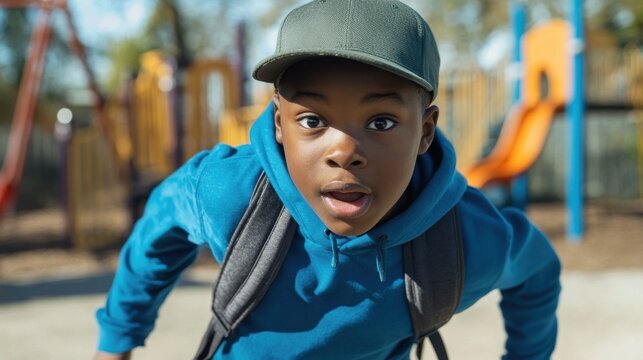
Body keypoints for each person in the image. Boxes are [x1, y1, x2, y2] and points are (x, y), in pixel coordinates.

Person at [95, 0, 561, 359]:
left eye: (380, 122)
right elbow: (161, 222)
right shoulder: (230, 193)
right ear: (279, 123)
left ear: (424, 131)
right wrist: (119, 336)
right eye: (313, 120)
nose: (344, 153)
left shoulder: (462, 237)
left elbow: (537, 269)